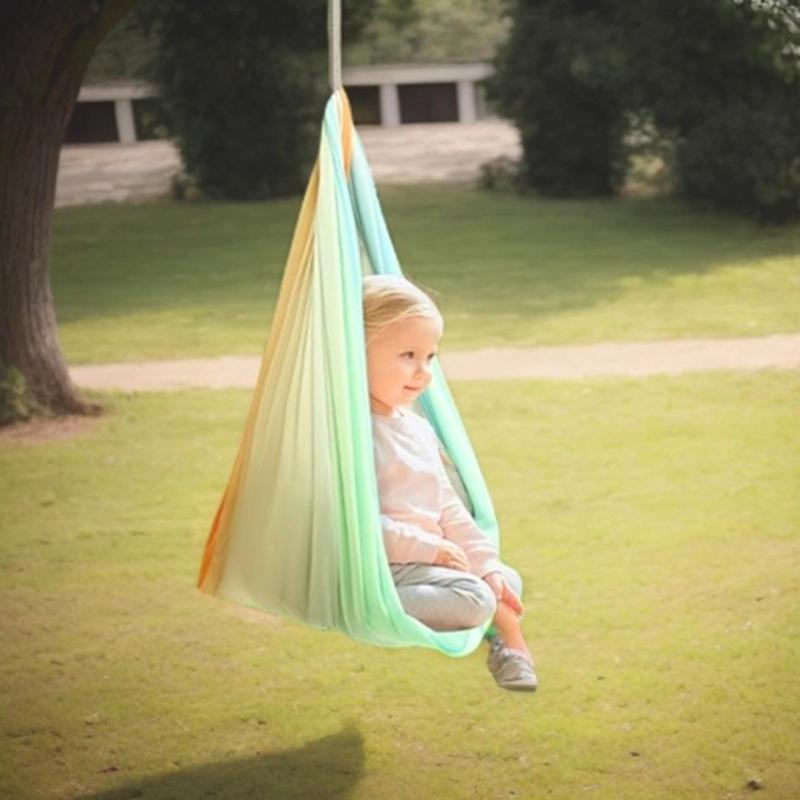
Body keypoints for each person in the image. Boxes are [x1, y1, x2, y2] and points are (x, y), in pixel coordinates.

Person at [363, 274, 538, 692]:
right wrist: (432, 549)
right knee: (478, 599)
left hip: (426, 564)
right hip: (381, 569)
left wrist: (486, 565)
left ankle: (504, 635)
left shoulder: (417, 428)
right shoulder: (353, 436)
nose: (423, 372)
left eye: (430, 357)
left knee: (505, 581)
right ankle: (511, 644)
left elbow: (448, 508)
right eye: (407, 355)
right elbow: (354, 525)